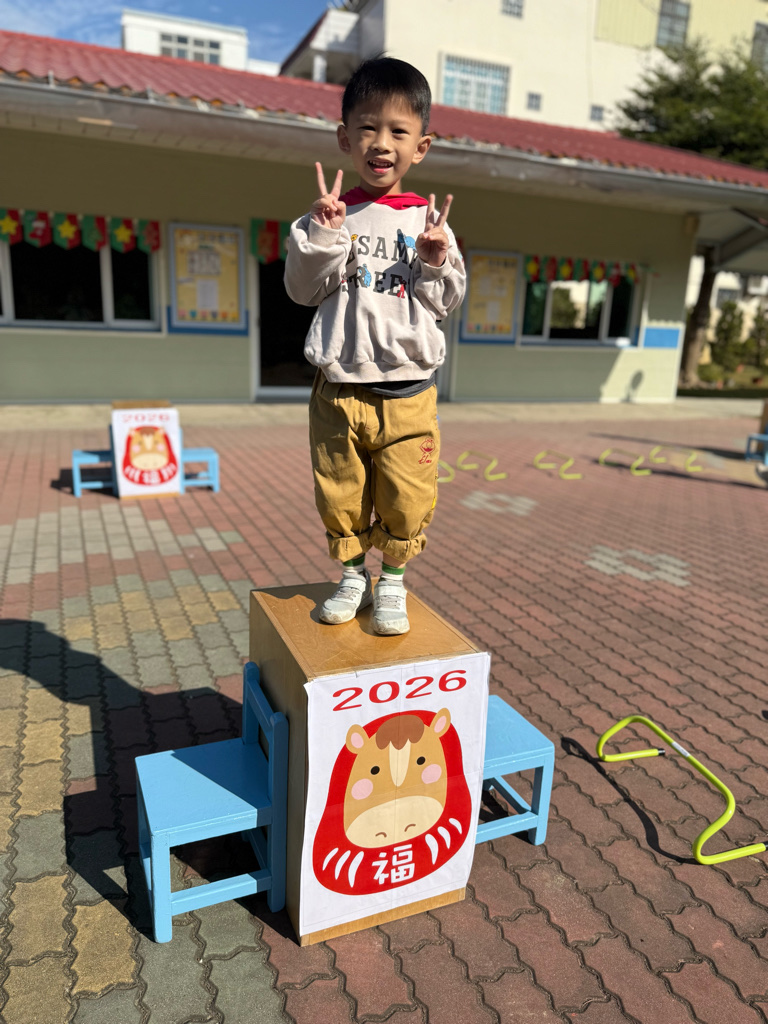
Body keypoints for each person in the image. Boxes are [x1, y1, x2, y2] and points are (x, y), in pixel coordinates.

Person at [284, 57, 465, 635]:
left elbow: (447, 301)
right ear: (345, 138)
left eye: (398, 131)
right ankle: (352, 577)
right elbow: (301, 291)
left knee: (407, 498)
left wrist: (435, 261)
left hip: (409, 394)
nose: (381, 142)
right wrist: (324, 234)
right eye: (367, 127)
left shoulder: (429, 224)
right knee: (339, 494)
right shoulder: (325, 219)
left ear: (421, 147)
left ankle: (392, 582)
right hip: (338, 391)